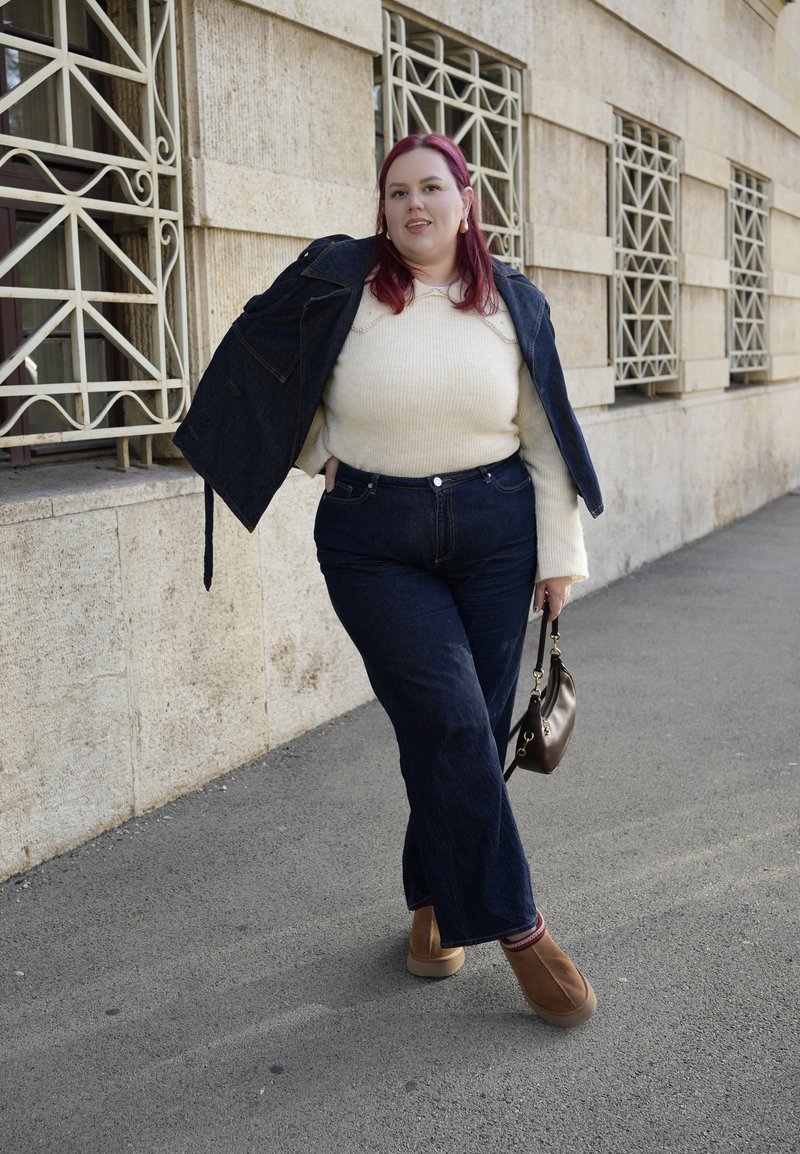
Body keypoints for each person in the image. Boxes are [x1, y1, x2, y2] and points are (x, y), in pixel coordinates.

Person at [174, 132, 603, 1028]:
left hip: (495, 535)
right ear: (382, 204)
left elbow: (545, 435)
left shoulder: (511, 301)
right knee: (447, 718)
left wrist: (559, 557)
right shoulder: (342, 284)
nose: (414, 205)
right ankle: (522, 929)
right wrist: (315, 449)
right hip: (374, 538)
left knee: (469, 737)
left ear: (464, 197)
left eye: (431, 188)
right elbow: (260, 375)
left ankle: (434, 905)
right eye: (396, 191)